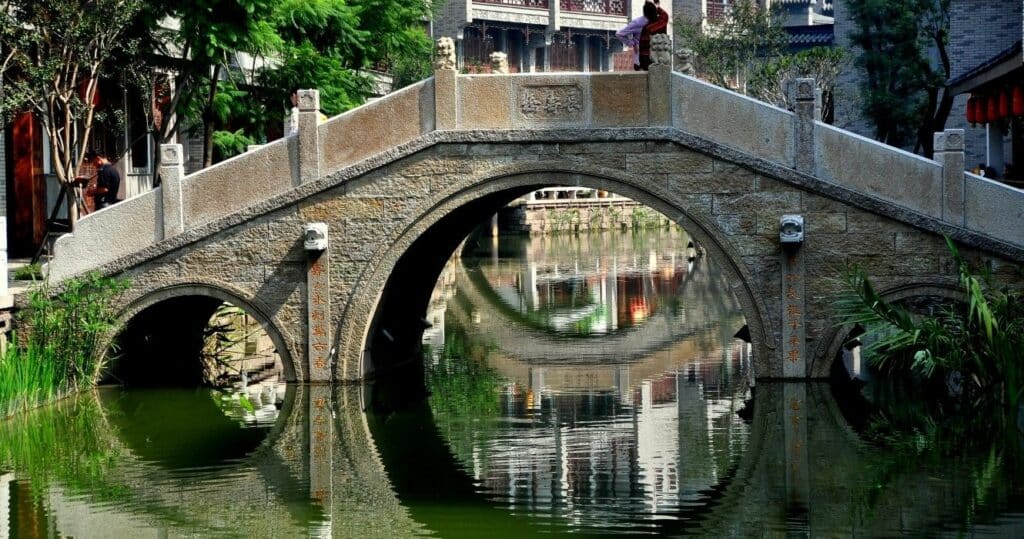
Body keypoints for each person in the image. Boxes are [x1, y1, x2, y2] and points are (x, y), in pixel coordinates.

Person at [617, 2, 661, 70]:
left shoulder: (656, 22)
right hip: (642, 59)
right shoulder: (638, 22)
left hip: (655, 58)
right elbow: (620, 33)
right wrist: (632, 43)